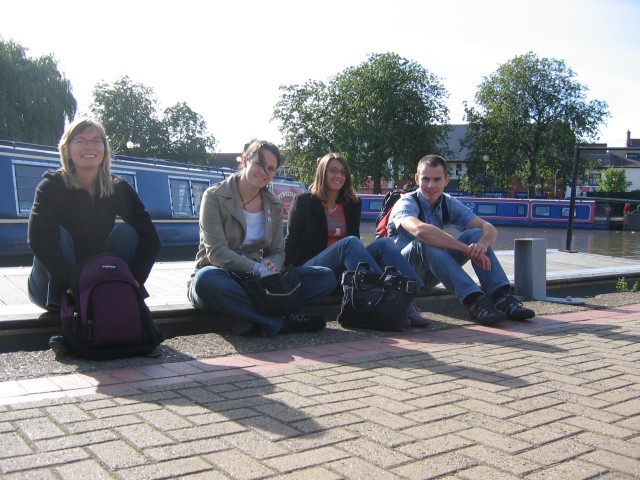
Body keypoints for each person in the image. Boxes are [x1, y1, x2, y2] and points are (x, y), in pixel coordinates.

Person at [188, 140, 336, 337]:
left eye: (271, 168)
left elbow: (277, 251)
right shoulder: (214, 196)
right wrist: (256, 268)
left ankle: (251, 318)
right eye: (259, 164)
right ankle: (278, 322)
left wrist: (270, 266)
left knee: (325, 277)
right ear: (245, 161)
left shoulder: (273, 204)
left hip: (256, 283)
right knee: (206, 281)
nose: (264, 172)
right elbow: (216, 253)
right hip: (222, 274)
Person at [27, 118, 161, 313]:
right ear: (67, 149)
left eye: (96, 140)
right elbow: (37, 238)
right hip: (51, 287)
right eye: (80, 140)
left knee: (129, 233)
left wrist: (136, 280)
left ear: (104, 149)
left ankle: (117, 289)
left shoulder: (118, 188)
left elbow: (150, 236)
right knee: (56, 233)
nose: (89, 146)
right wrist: (70, 285)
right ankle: (65, 302)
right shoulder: (51, 186)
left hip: (96, 281)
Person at [389, 154, 535, 326]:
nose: (431, 185)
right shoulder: (405, 203)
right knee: (423, 242)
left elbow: (488, 227)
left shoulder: (447, 202)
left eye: (437, 179)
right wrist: (466, 249)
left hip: (431, 272)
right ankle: (475, 302)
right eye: (425, 179)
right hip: (403, 274)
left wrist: (481, 246)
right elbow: (420, 231)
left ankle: (500, 297)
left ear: (446, 180)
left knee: (475, 234)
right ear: (416, 179)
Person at [285, 152, 427, 326]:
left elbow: (356, 245)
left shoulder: (352, 203)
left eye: (342, 172)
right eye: (333, 170)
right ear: (322, 172)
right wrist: (283, 273)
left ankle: (408, 295)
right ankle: (390, 304)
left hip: (341, 269)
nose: (338, 176)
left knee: (384, 244)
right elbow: (291, 240)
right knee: (350, 243)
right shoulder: (304, 201)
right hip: (312, 267)